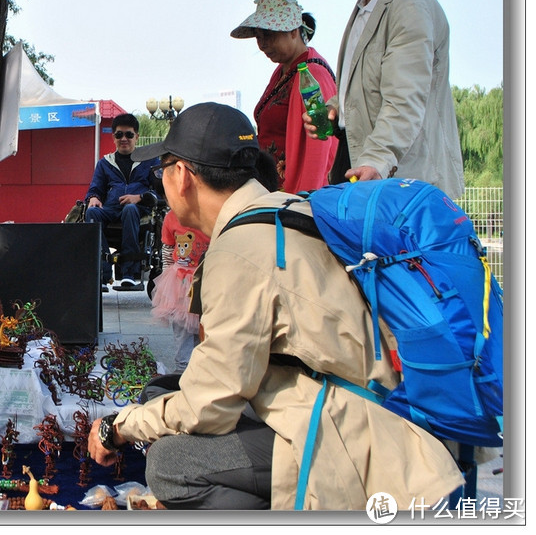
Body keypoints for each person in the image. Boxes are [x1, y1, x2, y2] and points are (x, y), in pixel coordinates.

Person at [87, 102, 463, 509]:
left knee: (170, 462)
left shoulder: (239, 252)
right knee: (162, 391)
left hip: (353, 439)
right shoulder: (285, 209)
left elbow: (208, 405)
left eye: (163, 169)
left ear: (182, 176)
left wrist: (116, 427)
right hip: (353, 402)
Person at [310, 0, 463, 199]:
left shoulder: (409, 7)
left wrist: (376, 160)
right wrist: (335, 107)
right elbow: (369, 82)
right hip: (364, 167)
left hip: (402, 182)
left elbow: (403, 100)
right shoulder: (370, 0)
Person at [231, 0, 338, 193]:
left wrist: (304, 201)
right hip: (276, 191)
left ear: (293, 32)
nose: (262, 44)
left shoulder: (312, 73)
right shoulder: (283, 71)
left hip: (296, 196)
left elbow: (320, 147)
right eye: (258, 37)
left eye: (269, 35)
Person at [84, 113, 159, 291]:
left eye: (129, 134)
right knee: (92, 212)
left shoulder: (149, 161)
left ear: (137, 137)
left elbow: (159, 191)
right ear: (113, 137)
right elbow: (95, 188)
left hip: (138, 210)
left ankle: (129, 274)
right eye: (119, 135)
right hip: (111, 208)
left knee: (130, 209)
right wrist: (93, 198)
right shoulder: (104, 163)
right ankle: (102, 275)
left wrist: (139, 197)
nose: (124, 139)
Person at [150, 209, 208, 374]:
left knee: (204, 326)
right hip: (180, 281)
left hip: (206, 276)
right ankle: (183, 368)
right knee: (182, 327)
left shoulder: (211, 213)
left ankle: (200, 367)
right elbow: (168, 249)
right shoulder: (172, 217)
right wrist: (167, 275)